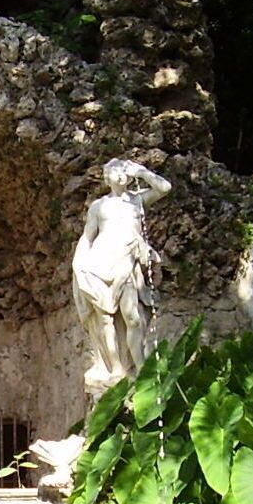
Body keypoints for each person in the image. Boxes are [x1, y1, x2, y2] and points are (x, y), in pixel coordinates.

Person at [72, 157, 172, 390]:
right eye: (114, 171)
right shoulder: (99, 206)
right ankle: (115, 368)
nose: (120, 175)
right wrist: (80, 265)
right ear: (107, 177)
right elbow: (87, 237)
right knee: (105, 319)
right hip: (100, 263)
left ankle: (140, 368)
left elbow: (165, 188)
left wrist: (143, 172)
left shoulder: (137, 201)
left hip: (127, 264)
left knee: (133, 318)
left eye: (123, 171)